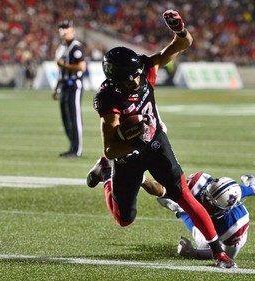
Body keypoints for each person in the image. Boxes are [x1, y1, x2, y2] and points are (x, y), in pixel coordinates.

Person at [89, 10, 232, 268]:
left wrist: (179, 30)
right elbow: (110, 149)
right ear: (118, 79)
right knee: (125, 219)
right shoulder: (108, 99)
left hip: (155, 142)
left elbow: (182, 45)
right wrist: (134, 140)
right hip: (127, 154)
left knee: (183, 195)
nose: (138, 79)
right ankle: (106, 176)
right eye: (131, 77)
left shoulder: (143, 69)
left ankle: (217, 250)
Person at [156, 173, 255, 268]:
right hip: (224, 198)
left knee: (205, 244)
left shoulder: (234, 225)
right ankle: (180, 209)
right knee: (164, 198)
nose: (204, 205)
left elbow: (226, 254)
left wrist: (195, 253)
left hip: (225, 232)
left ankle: (180, 211)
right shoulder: (200, 183)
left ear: (224, 210)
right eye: (206, 198)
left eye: (211, 206)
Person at [52, 20, 86, 158]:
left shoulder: (75, 47)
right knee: (66, 118)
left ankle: (77, 150)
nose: (64, 30)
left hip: (74, 85)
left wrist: (64, 66)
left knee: (74, 117)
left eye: (66, 27)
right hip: (64, 85)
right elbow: (60, 71)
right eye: (62, 27)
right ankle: (72, 147)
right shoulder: (62, 47)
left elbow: (81, 67)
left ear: (72, 30)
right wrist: (56, 88)